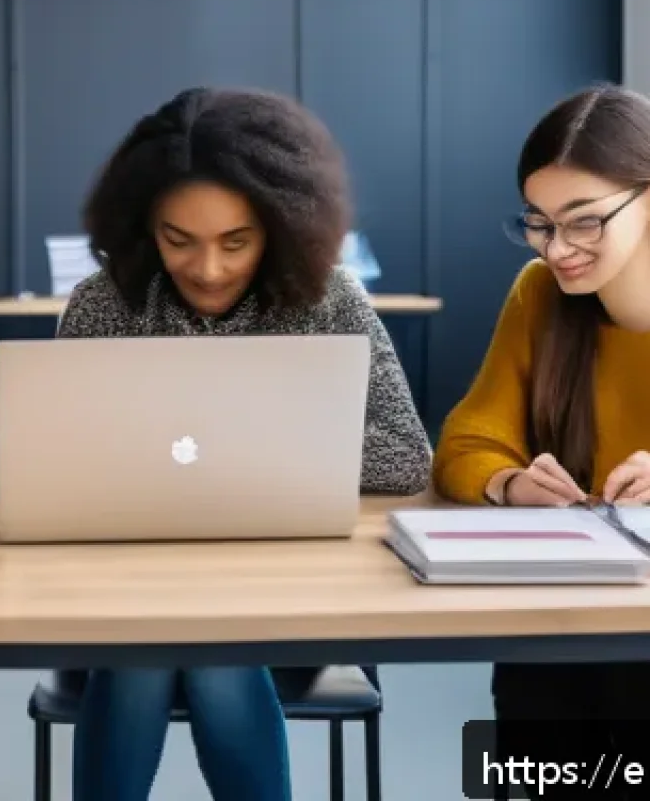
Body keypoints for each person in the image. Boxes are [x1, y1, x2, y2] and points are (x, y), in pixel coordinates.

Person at [55, 86, 432, 801]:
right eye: (178, 240)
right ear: (141, 227)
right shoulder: (104, 303)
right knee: (159, 649)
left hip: (285, 603)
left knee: (207, 651)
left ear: (282, 225)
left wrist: (240, 447)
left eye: (236, 241)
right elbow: (61, 458)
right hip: (124, 597)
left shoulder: (328, 298)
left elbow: (405, 455)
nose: (208, 269)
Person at [432, 83, 650, 799]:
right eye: (538, 221)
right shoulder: (540, 295)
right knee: (540, 712)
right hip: (564, 620)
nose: (558, 248)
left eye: (584, 222)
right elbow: (465, 444)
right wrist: (509, 482)